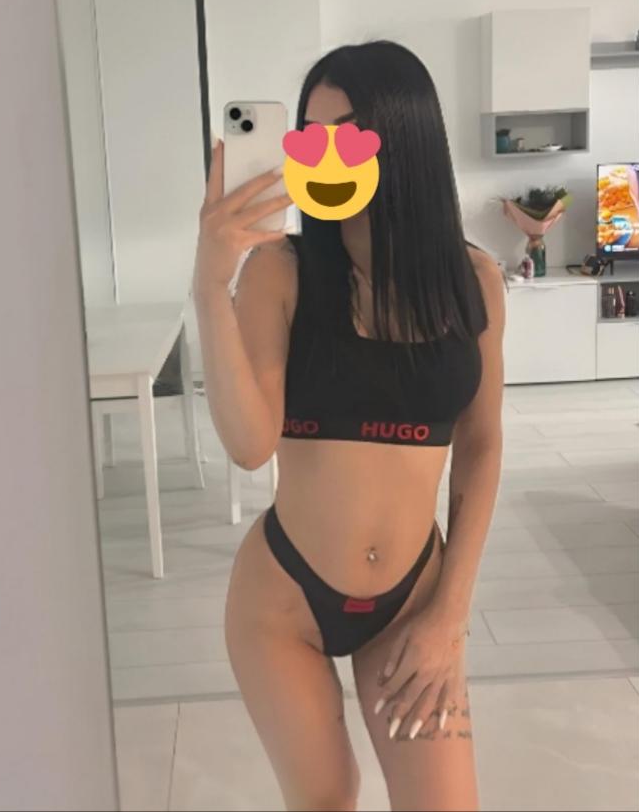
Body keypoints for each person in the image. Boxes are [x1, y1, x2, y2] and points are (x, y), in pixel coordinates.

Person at [192, 41, 505, 812]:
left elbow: (481, 445)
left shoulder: (474, 282)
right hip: (284, 603)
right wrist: (209, 284)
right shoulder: (281, 271)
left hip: (413, 596)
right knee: (328, 796)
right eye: (309, 136)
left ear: (405, 141)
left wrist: (450, 615)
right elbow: (249, 445)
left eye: (348, 135)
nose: (325, 155)